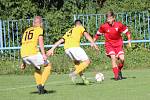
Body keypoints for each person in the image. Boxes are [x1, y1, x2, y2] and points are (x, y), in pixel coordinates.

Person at [47, 20, 99, 85]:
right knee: (87, 61)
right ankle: (74, 73)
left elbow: (61, 40)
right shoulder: (80, 27)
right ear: (80, 24)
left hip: (67, 49)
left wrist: (52, 49)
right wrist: (93, 43)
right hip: (74, 47)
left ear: (74, 25)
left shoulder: (69, 31)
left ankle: (84, 79)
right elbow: (86, 35)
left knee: (77, 63)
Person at [93, 11, 131, 80]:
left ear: (114, 18)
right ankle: (116, 76)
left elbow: (127, 32)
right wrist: (93, 42)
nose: (109, 20)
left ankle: (119, 70)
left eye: (110, 18)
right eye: (108, 19)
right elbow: (97, 34)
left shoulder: (119, 25)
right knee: (113, 57)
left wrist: (129, 41)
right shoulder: (104, 26)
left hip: (119, 45)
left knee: (122, 59)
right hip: (109, 45)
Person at [20, 16, 51, 94]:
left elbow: (24, 45)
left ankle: (39, 88)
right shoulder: (39, 29)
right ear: (41, 23)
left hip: (23, 54)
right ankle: (41, 85)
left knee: (37, 68)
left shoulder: (27, 30)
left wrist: (23, 62)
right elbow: (40, 42)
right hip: (32, 53)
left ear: (33, 23)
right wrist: (43, 54)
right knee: (48, 65)